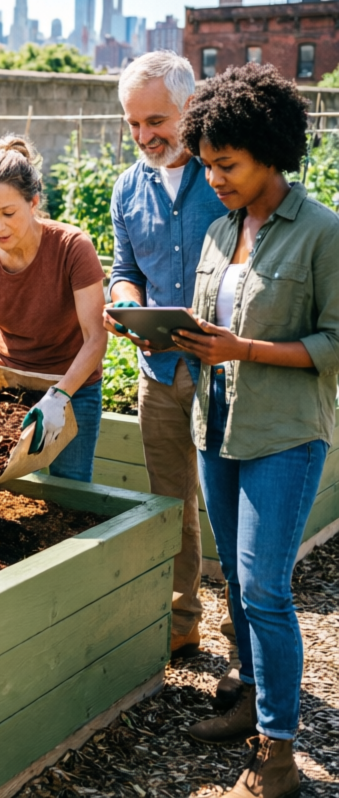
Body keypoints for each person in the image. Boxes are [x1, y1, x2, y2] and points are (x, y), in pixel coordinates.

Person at [170, 64, 338, 798]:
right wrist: (172, 335)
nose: (214, 179)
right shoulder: (218, 232)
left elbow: (335, 343)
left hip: (284, 434)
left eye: (227, 164)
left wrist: (244, 349)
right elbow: (215, 327)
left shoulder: (323, 232)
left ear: (270, 152)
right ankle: (248, 700)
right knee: (236, 585)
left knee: (265, 588)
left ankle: (278, 753)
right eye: (206, 165)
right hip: (218, 427)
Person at [102, 51, 231, 667]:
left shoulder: (227, 176)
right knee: (171, 503)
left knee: (233, 506)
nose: (143, 136)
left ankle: (247, 636)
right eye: (133, 123)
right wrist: (126, 304)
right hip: (159, 371)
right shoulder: (128, 188)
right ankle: (182, 622)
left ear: (189, 107)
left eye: (156, 121)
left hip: (226, 372)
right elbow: (125, 269)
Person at [0, 137, 107, 480]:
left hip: (71, 389)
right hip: (6, 388)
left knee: (68, 495)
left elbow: (96, 338)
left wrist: (58, 397)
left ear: (33, 202)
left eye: (8, 213)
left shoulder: (72, 247)